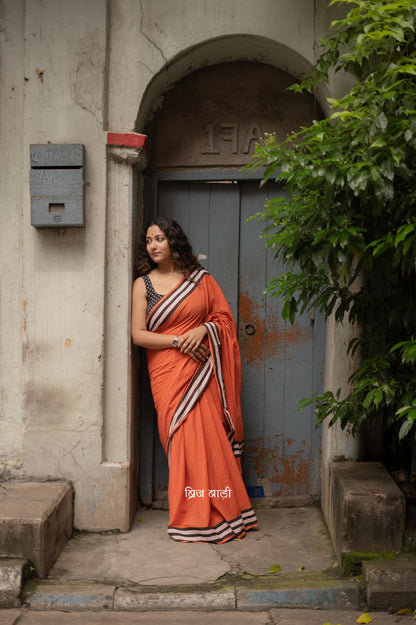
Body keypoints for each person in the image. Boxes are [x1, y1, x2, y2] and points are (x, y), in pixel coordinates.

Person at [131, 216, 258, 543]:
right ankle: (191, 513)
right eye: (149, 241)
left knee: (209, 442)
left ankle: (219, 509)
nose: (153, 245)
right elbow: (138, 335)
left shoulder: (200, 280)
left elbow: (223, 319)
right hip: (167, 372)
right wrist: (177, 342)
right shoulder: (142, 284)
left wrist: (203, 330)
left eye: (159, 238)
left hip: (203, 373)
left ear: (174, 241)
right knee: (183, 442)